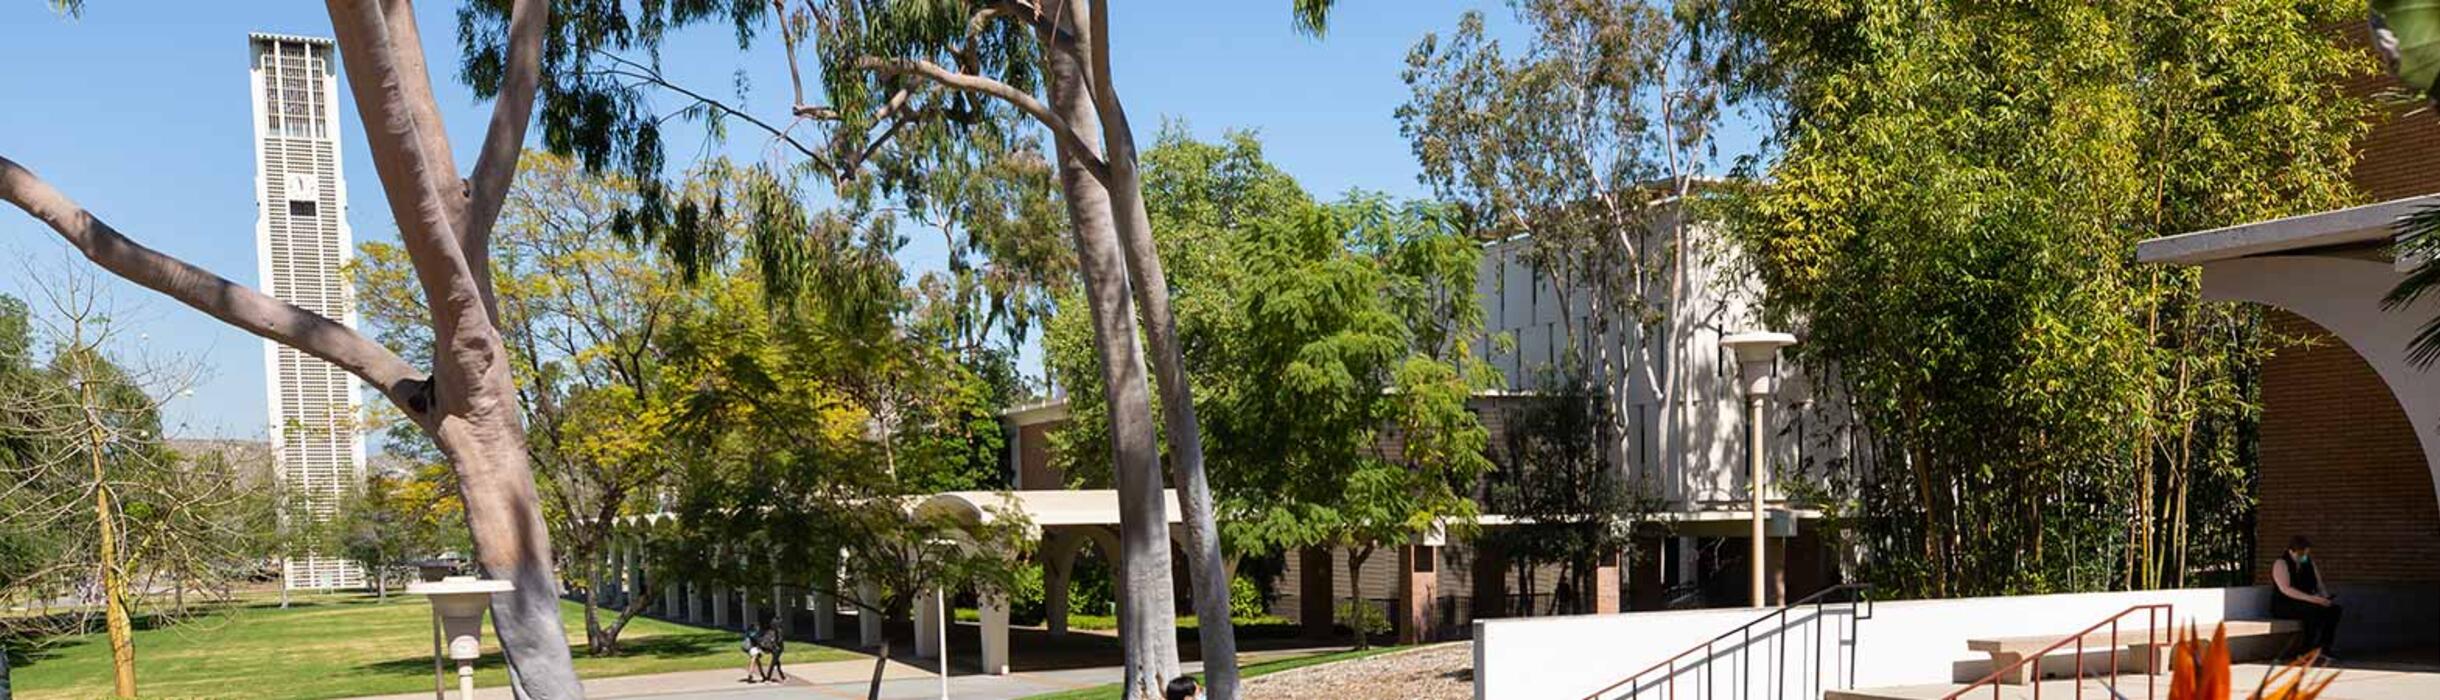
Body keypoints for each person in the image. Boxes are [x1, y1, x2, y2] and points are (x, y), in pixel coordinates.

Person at [2270, 535, 2341, 660]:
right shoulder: (2281, 563)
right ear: (2291, 551)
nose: (2303, 557)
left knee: (2334, 610)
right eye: (2301, 554)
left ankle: (2324, 647)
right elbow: (2286, 589)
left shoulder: (2309, 563)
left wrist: (2325, 598)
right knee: (2311, 612)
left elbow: (2319, 584)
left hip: (2308, 601)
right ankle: (2304, 650)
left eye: (2306, 554)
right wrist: (2312, 599)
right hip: (2286, 604)